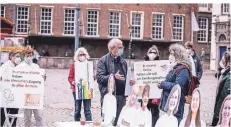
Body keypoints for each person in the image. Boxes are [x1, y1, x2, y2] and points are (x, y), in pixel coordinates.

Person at [96, 38, 135, 126]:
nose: (122, 49)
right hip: (109, 96)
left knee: (120, 121)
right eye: (120, 47)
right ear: (112, 48)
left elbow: (125, 77)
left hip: (122, 96)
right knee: (109, 121)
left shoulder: (123, 61)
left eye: (122, 47)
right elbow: (99, 78)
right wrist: (113, 77)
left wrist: (130, 82)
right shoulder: (103, 60)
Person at [158, 43, 191, 124]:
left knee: (176, 122)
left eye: (172, 54)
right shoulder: (174, 67)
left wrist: (163, 84)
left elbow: (177, 86)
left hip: (177, 104)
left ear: (178, 54)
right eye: (170, 53)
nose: (170, 55)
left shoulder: (183, 69)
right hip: (170, 102)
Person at [16, 45, 44, 127]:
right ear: (24, 55)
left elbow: (40, 79)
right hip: (25, 94)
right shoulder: (20, 67)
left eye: (30, 55)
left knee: (38, 116)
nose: (29, 57)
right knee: (27, 118)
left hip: (35, 93)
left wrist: (43, 77)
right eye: (27, 55)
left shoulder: (36, 66)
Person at [68, 47, 92, 121]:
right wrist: (72, 82)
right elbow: (70, 77)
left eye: (83, 54)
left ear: (86, 55)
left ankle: (89, 124)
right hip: (77, 90)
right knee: (77, 109)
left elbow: (91, 77)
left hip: (87, 89)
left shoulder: (89, 65)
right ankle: (76, 124)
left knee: (87, 110)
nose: (82, 56)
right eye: (80, 54)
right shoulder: (74, 65)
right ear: (77, 56)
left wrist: (93, 77)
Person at [0, 51, 22, 127]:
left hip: (15, 97)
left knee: (13, 117)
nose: (18, 58)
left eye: (19, 56)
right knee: (2, 116)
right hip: (6, 96)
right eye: (17, 56)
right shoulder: (5, 66)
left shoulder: (19, 67)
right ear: (11, 57)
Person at [143, 45, 160, 126]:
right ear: (148, 53)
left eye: (154, 52)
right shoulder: (142, 64)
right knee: (144, 113)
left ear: (157, 54)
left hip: (155, 95)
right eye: (151, 52)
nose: (152, 54)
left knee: (155, 114)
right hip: (145, 93)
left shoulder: (160, 65)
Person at [211, 53, 230, 126]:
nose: (221, 62)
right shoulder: (224, 72)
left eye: (222, 60)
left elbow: (223, 96)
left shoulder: (228, 75)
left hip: (221, 106)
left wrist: (217, 115)